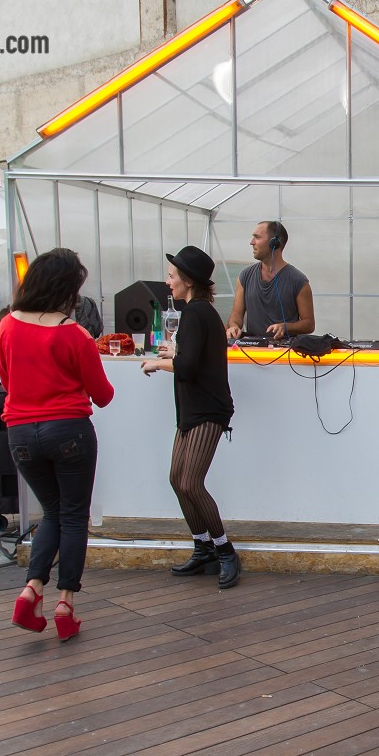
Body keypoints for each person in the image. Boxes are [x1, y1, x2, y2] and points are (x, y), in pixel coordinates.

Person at [0, 248, 115, 642]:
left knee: (50, 512)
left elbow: (7, 381)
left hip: (20, 433)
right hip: (68, 431)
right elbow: (103, 395)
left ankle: (31, 590)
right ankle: (65, 602)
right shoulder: (72, 333)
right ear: (66, 290)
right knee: (73, 516)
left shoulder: (6, 326)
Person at [141, 246, 240, 590]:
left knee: (189, 483)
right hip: (193, 409)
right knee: (176, 478)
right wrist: (175, 350)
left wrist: (159, 362)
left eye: (171, 276)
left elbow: (188, 367)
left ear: (188, 280)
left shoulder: (197, 313)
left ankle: (225, 550)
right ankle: (203, 548)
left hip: (207, 409)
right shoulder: (196, 313)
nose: (168, 282)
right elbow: (193, 354)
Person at [225, 221, 314, 340]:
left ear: (274, 243)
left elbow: (309, 324)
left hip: (285, 354)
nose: (251, 242)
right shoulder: (245, 276)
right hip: (252, 352)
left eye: (257, 237)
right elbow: (236, 316)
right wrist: (234, 326)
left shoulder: (298, 281)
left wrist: (286, 327)